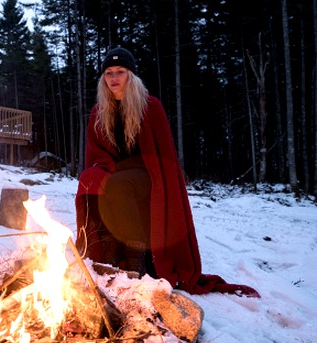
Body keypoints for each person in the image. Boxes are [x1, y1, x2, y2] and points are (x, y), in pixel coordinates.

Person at [75, 46, 259, 297]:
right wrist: (100, 170)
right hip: (117, 173)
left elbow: (162, 157)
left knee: (118, 185)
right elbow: (96, 153)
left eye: (120, 71)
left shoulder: (150, 106)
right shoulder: (99, 112)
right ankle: (106, 252)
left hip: (148, 174)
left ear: (131, 76)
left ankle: (135, 257)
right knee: (91, 181)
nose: (114, 78)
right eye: (108, 73)